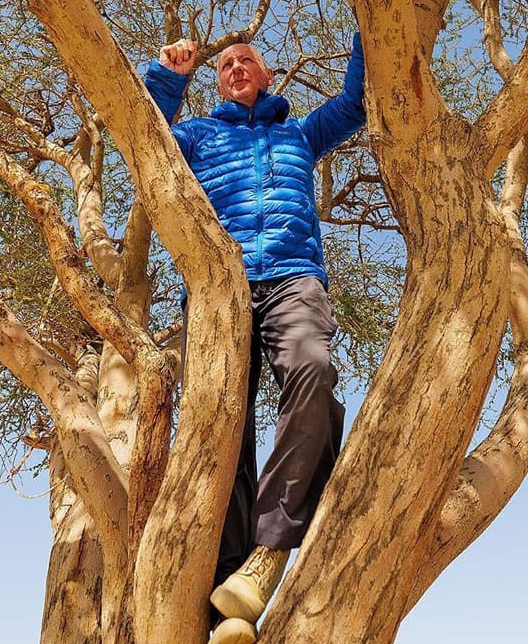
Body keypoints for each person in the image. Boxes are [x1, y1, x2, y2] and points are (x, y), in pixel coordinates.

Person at [144, 32, 366, 643]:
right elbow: (146, 146)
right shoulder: (199, 135)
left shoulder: (298, 135)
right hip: (222, 289)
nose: (236, 68)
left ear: (266, 77)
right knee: (224, 434)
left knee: (314, 374)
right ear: (216, 82)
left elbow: (354, 104)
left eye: (247, 61)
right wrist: (169, 79)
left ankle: (269, 553)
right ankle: (227, 607)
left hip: (294, 276)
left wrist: (366, 21)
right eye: (225, 65)